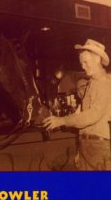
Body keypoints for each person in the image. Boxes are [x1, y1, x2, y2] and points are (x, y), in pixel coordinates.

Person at [43, 39, 111, 171]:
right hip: (89, 145)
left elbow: (93, 115)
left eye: (85, 62)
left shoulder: (104, 83)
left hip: (98, 148)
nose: (83, 67)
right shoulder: (93, 82)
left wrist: (62, 120)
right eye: (81, 63)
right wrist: (80, 149)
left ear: (97, 59)